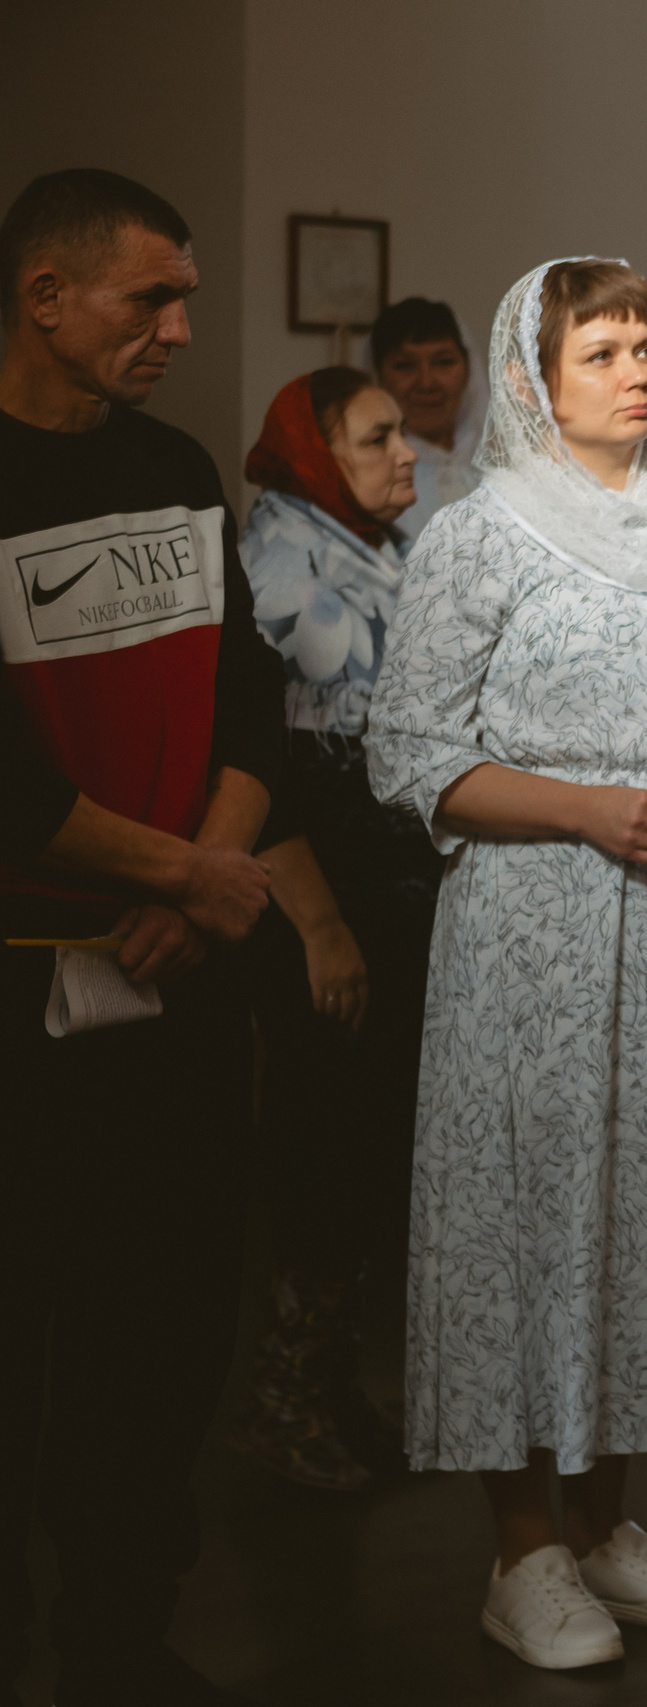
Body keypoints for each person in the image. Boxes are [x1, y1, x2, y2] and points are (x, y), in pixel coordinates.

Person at [367, 258, 647, 1671]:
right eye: (601, 349)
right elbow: (408, 752)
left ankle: (608, 1528)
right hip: (531, 926)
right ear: (537, 378)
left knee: (645, 1214)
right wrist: (589, 805)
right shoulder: (475, 536)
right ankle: (522, 1547)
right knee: (523, 1218)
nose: (637, 370)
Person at [0, 169, 281, 1707]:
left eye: (183, 298)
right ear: (47, 299)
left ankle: (116, 1644)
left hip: (176, 987)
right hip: (23, 992)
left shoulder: (175, 468)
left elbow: (252, 707)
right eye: (150, 298)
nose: (180, 325)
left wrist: (204, 873)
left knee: (162, 1345)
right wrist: (187, 870)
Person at [232, 365, 442, 1493]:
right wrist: (318, 923)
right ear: (319, 455)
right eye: (377, 438)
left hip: (380, 884)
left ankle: (326, 1392)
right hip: (321, 895)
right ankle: (276, 1410)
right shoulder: (281, 562)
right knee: (324, 1141)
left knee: (363, 1147)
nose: (405, 453)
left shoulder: (363, 546)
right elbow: (275, 769)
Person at [371, 296, 484, 547]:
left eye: (444, 362)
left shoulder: (507, 466)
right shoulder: (368, 484)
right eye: (404, 366)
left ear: (469, 370)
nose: (426, 383)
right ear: (378, 377)